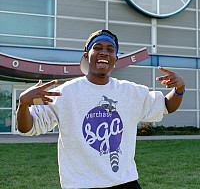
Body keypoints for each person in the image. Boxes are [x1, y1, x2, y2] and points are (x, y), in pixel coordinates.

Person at [16, 30, 185, 189]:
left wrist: (179, 89)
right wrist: (23, 104)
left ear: (116, 59)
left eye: (110, 49)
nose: (104, 52)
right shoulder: (66, 92)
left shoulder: (130, 92)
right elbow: (27, 128)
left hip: (125, 183)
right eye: (97, 48)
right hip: (81, 185)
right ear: (86, 56)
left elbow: (166, 106)